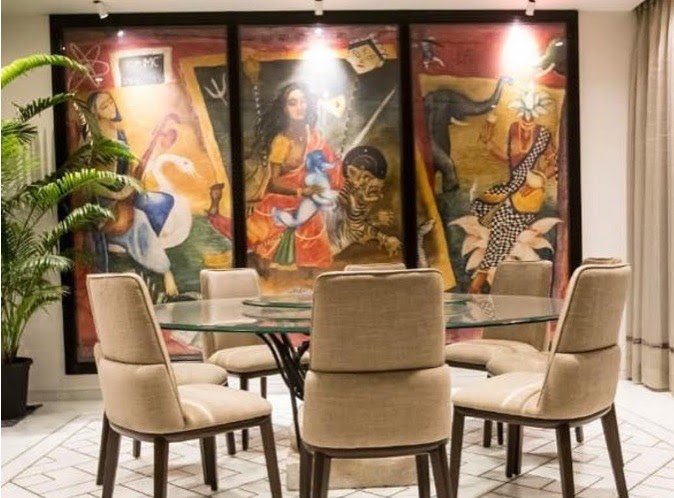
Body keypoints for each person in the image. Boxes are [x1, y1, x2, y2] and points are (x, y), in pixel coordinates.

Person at [87, 91, 179, 296]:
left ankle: (143, 250)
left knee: (162, 201)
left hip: (126, 193)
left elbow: (126, 166)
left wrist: (133, 177)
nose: (110, 107)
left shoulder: (119, 134)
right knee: (141, 219)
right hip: (106, 203)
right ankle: (165, 270)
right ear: (96, 114)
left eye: (110, 101)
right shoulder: (94, 142)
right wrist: (118, 195)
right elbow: (89, 182)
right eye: (104, 106)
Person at [246, 82, 342, 277]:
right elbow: (274, 182)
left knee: (313, 220)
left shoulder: (315, 136)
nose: (299, 107)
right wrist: (300, 191)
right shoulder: (281, 141)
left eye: (303, 101)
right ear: (284, 108)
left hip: (309, 198)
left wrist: (334, 165)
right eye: (292, 103)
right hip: (282, 200)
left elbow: (329, 166)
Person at [468, 96, 558, 293]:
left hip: (527, 195)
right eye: (524, 114)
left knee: (500, 232)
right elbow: (507, 159)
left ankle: (478, 284)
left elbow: (555, 162)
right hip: (509, 189)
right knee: (482, 209)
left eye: (531, 115)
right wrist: (489, 140)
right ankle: (481, 284)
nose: (527, 120)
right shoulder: (513, 129)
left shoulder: (543, 134)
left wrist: (540, 178)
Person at [271, 150, 338, 228]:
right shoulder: (312, 177)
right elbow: (321, 194)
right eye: (320, 163)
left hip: (321, 202)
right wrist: (332, 198)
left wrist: (337, 160)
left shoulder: (322, 175)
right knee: (295, 222)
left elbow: (330, 167)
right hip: (312, 202)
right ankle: (278, 213)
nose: (323, 167)